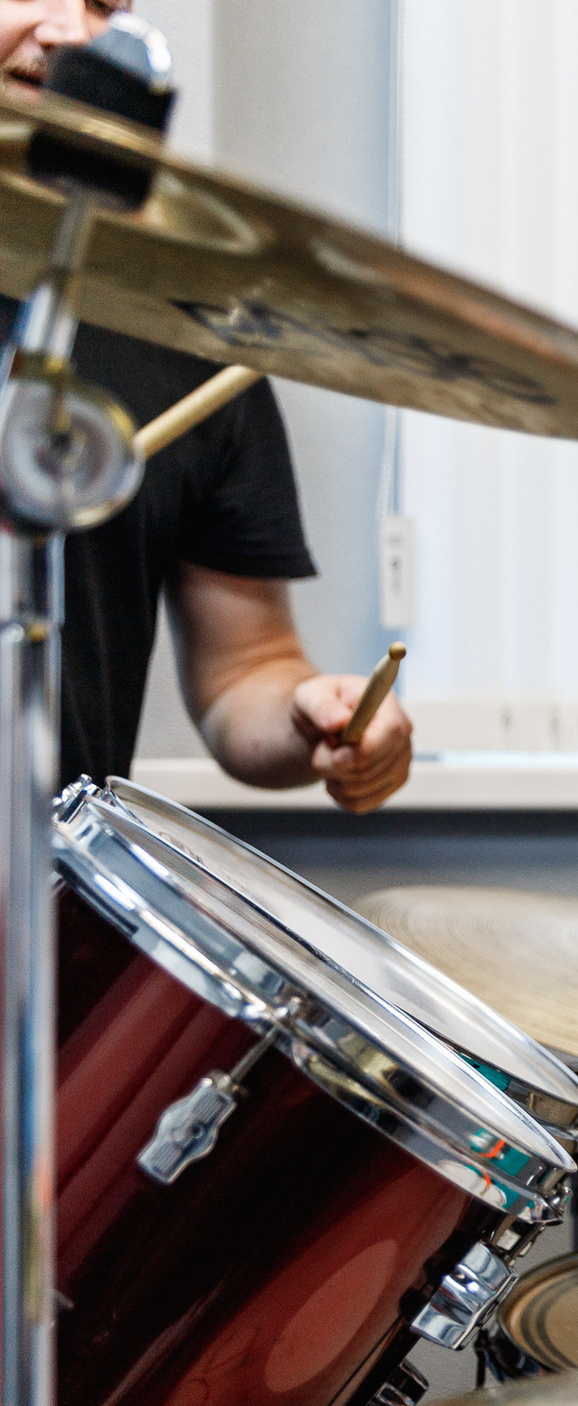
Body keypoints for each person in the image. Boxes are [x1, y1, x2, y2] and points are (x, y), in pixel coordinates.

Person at [2, 0, 411, 812]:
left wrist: (315, 716)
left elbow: (244, 667)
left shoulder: (185, 335)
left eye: (104, 3)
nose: (73, 32)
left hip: (43, 905)